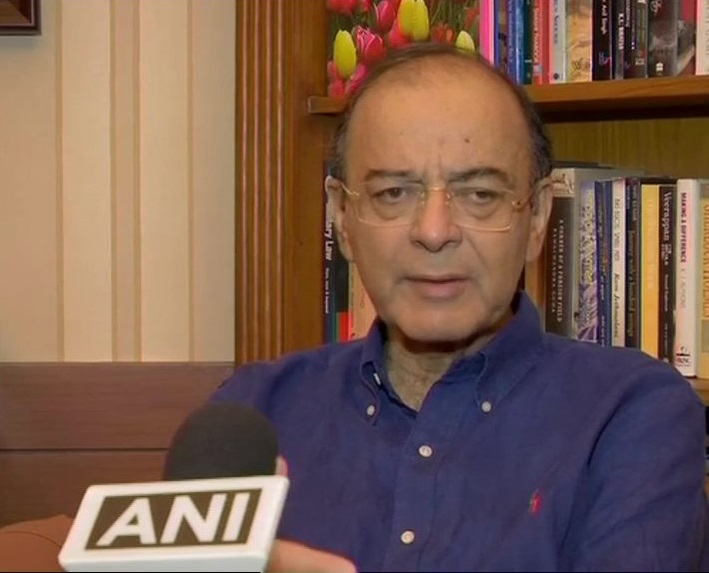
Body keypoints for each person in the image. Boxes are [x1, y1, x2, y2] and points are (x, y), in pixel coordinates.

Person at [211, 41, 709, 571]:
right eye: (393, 193)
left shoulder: (631, 413)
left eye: (480, 195)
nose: (434, 232)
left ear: (537, 217)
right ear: (341, 217)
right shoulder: (254, 413)